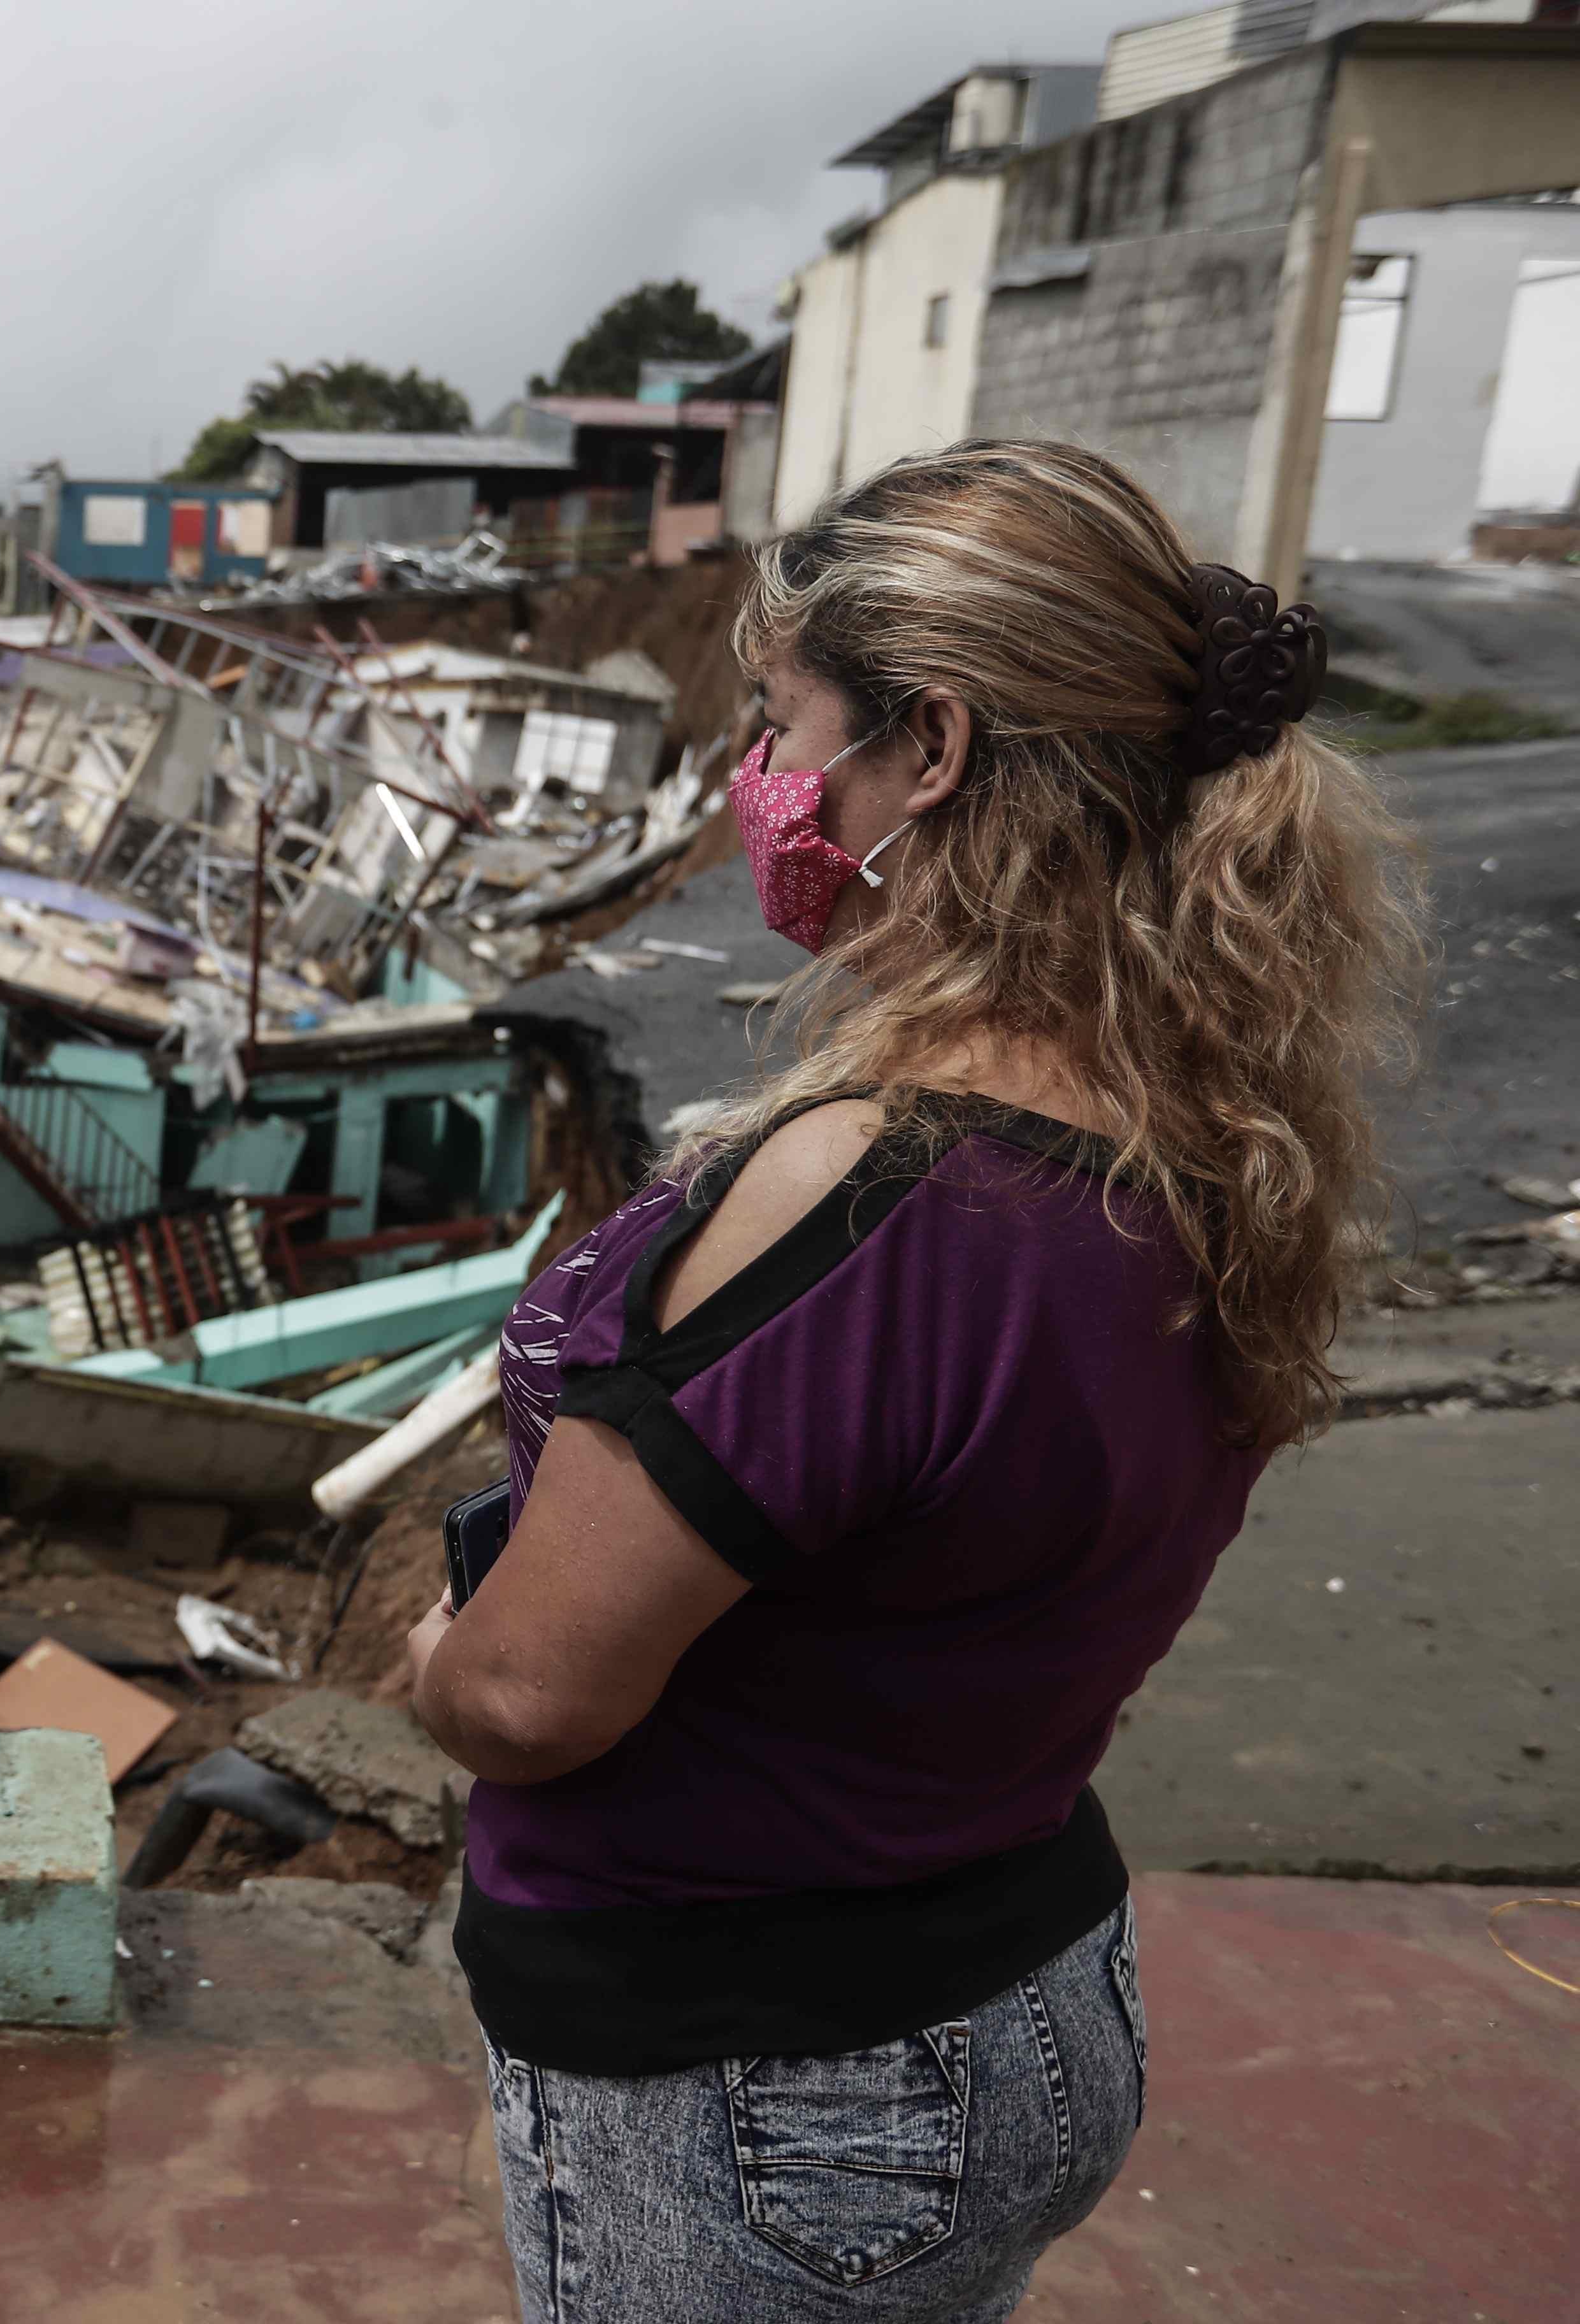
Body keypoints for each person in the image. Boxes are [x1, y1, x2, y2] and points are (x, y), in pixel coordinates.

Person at [406, 440, 1420, 2322]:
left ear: (930, 750)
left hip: (765, 2072)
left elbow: (533, 1695)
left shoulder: (884, 1201)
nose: (756, 785)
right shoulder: (1193, 1134)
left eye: (785, 728)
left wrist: (436, 1657)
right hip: (1019, 1978)